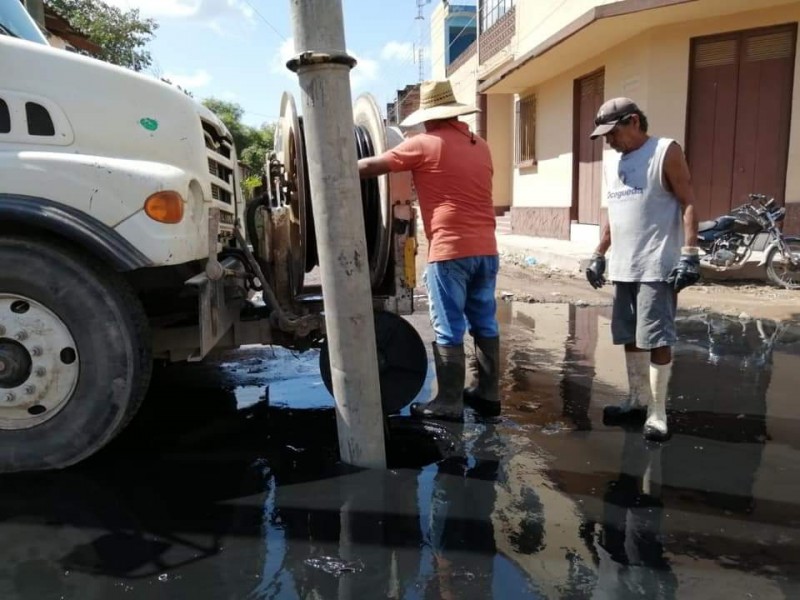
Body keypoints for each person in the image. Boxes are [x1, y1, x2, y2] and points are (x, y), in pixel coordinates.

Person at [358, 79, 500, 421]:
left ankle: (449, 402)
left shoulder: (423, 144)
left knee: (448, 325)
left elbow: (369, 167)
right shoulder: (480, 145)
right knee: (484, 321)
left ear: (429, 116)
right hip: (487, 249)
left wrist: (326, 171)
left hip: (450, 251)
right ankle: (489, 395)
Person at [584, 97, 699, 441]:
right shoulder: (615, 163)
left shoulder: (666, 151)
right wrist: (599, 253)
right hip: (624, 265)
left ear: (633, 121)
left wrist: (690, 253)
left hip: (655, 265)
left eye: (612, 132)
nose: (608, 140)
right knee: (630, 337)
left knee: (656, 338)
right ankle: (636, 400)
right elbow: (614, 214)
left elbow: (687, 199)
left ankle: (657, 412)